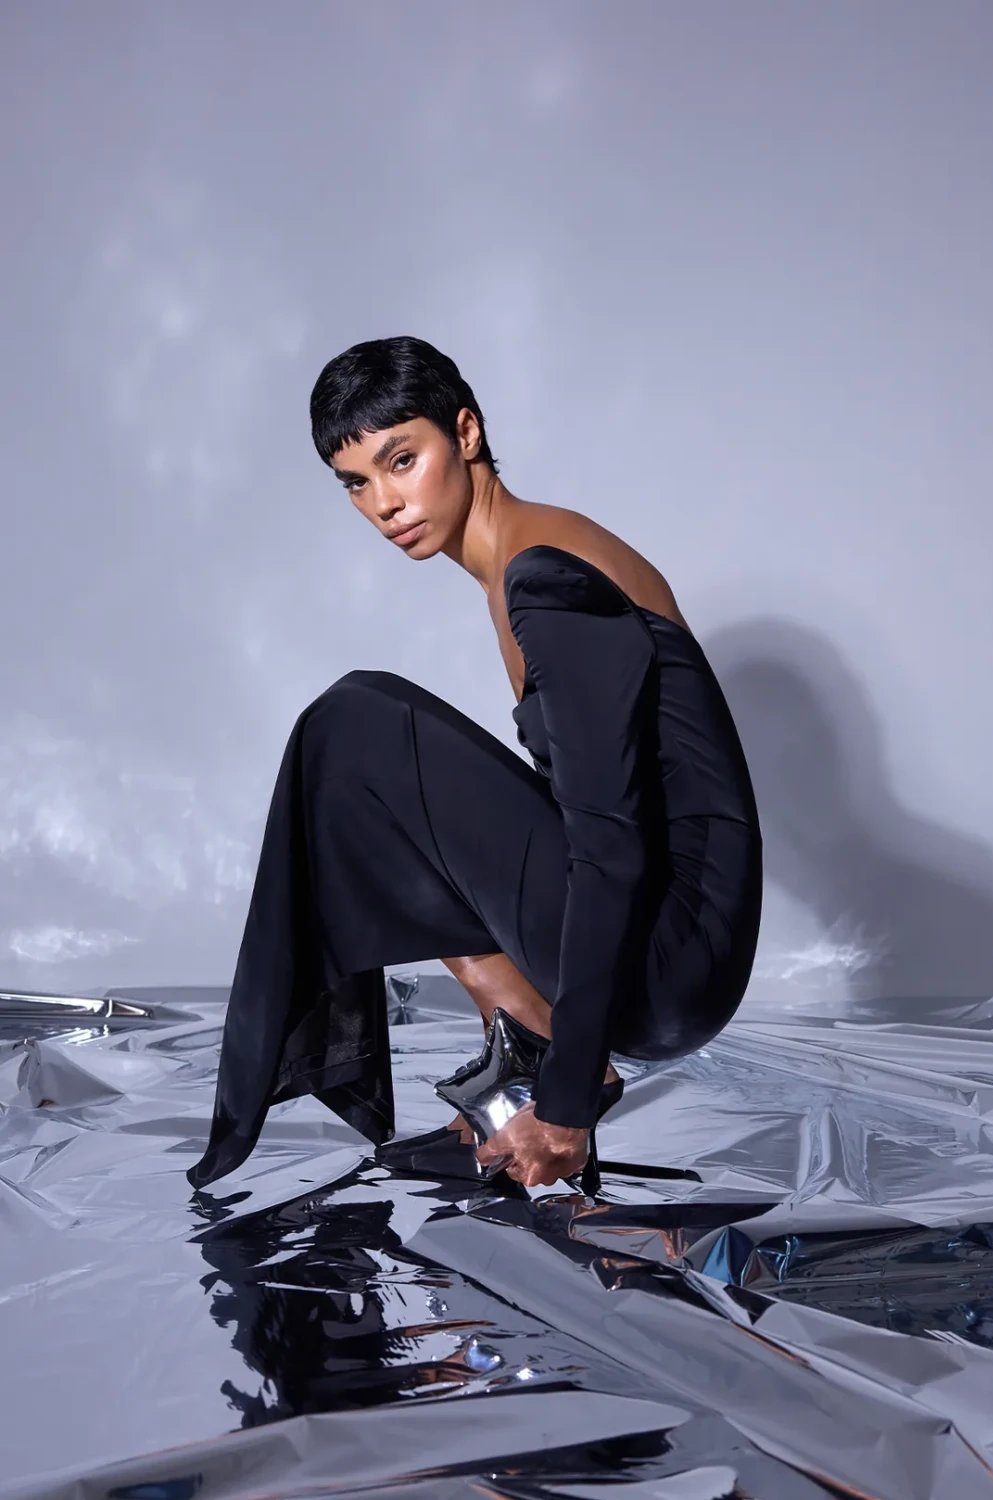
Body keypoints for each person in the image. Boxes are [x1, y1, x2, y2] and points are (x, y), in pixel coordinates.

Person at [185, 334, 762, 1194]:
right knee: (374, 765)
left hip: (669, 961)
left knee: (352, 725)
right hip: (668, 947)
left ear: (466, 432)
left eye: (401, 461)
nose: (385, 503)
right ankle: (524, 1043)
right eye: (356, 483)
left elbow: (611, 846)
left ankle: (547, 1063)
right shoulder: (525, 561)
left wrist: (569, 1103)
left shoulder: (545, 578)